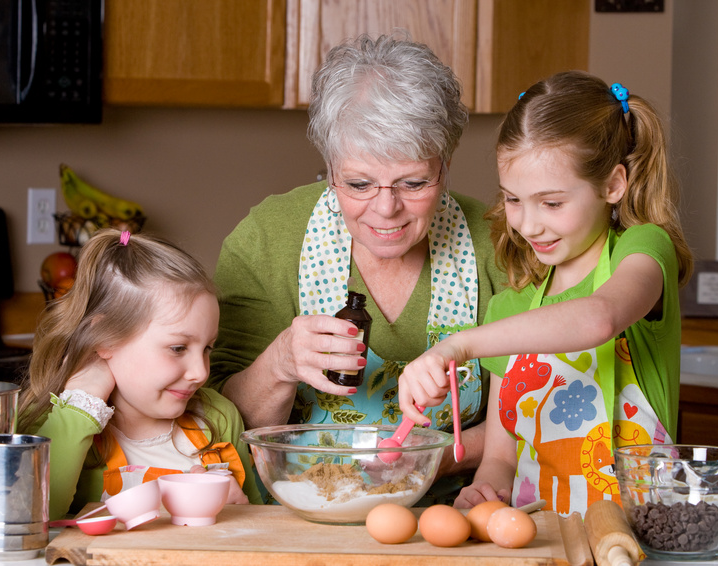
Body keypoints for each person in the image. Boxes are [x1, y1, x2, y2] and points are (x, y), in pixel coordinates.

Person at [207, 33, 506, 500]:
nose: (386, 209)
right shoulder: (266, 240)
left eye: (413, 183)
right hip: (294, 516)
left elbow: (526, 416)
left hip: (447, 514)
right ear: (330, 168)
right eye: (359, 184)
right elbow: (217, 428)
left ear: (445, 165)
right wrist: (281, 363)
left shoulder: (496, 244)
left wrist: (428, 460)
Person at [397, 71, 694, 516]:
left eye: (552, 203)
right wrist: (485, 490)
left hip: (641, 532)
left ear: (613, 185)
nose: (528, 224)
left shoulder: (643, 251)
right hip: (541, 539)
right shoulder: (510, 307)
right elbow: (501, 458)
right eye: (513, 200)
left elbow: (598, 318)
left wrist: (457, 345)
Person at [18, 229, 263, 520]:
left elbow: (261, 528)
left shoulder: (220, 417)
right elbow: (33, 517)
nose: (200, 373)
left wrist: (241, 513)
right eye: (178, 348)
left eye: (208, 348)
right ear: (105, 338)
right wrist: (81, 405)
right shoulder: (49, 421)